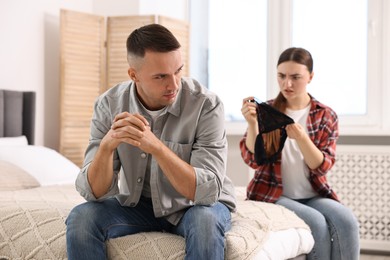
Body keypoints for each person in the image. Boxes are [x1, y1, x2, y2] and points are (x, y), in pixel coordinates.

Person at [66, 23, 236, 260]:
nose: (174, 84)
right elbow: (93, 192)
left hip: (193, 206)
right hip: (139, 206)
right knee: (81, 218)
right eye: (161, 76)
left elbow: (205, 193)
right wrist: (106, 147)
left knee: (206, 221)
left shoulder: (206, 105)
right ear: (133, 75)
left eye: (178, 71)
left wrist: (155, 146)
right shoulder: (108, 105)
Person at [240, 47, 359, 260]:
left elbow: (322, 166)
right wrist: (252, 125)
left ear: (310, 77)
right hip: (274, 194)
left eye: (296, 77)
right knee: (317, 224)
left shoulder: (325, 115)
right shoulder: (267, 111)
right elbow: (253, 160)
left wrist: (303, 138)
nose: (287, 84)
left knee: (347, 220)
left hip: (313, 194)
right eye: (282, 76)